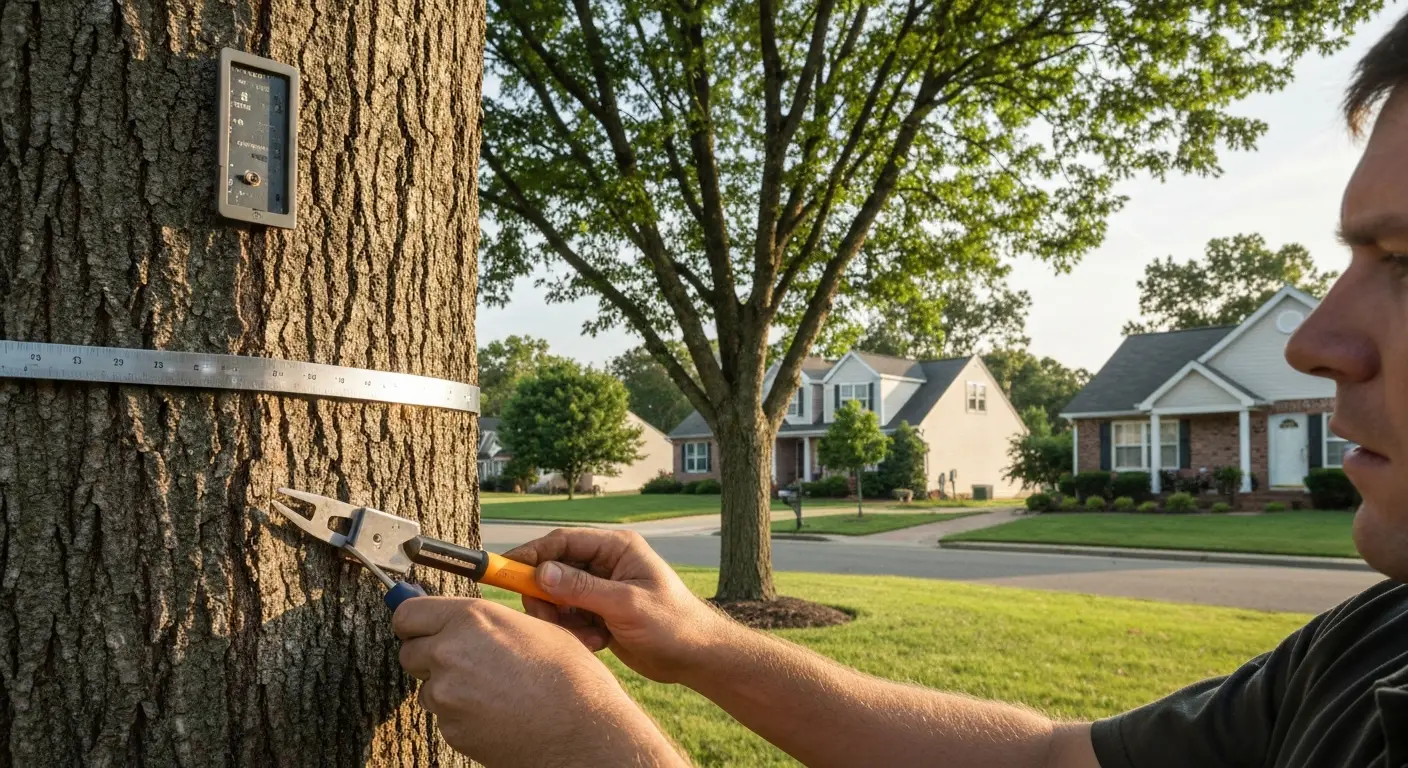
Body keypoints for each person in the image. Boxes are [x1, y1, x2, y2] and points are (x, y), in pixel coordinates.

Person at [392, 16, 1408, 767]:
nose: (1316, 343)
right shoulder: (1370, 641)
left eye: (1404, 262)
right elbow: (1048, 763)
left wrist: (594, 752)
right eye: (1355, 257)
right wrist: (704, 645)